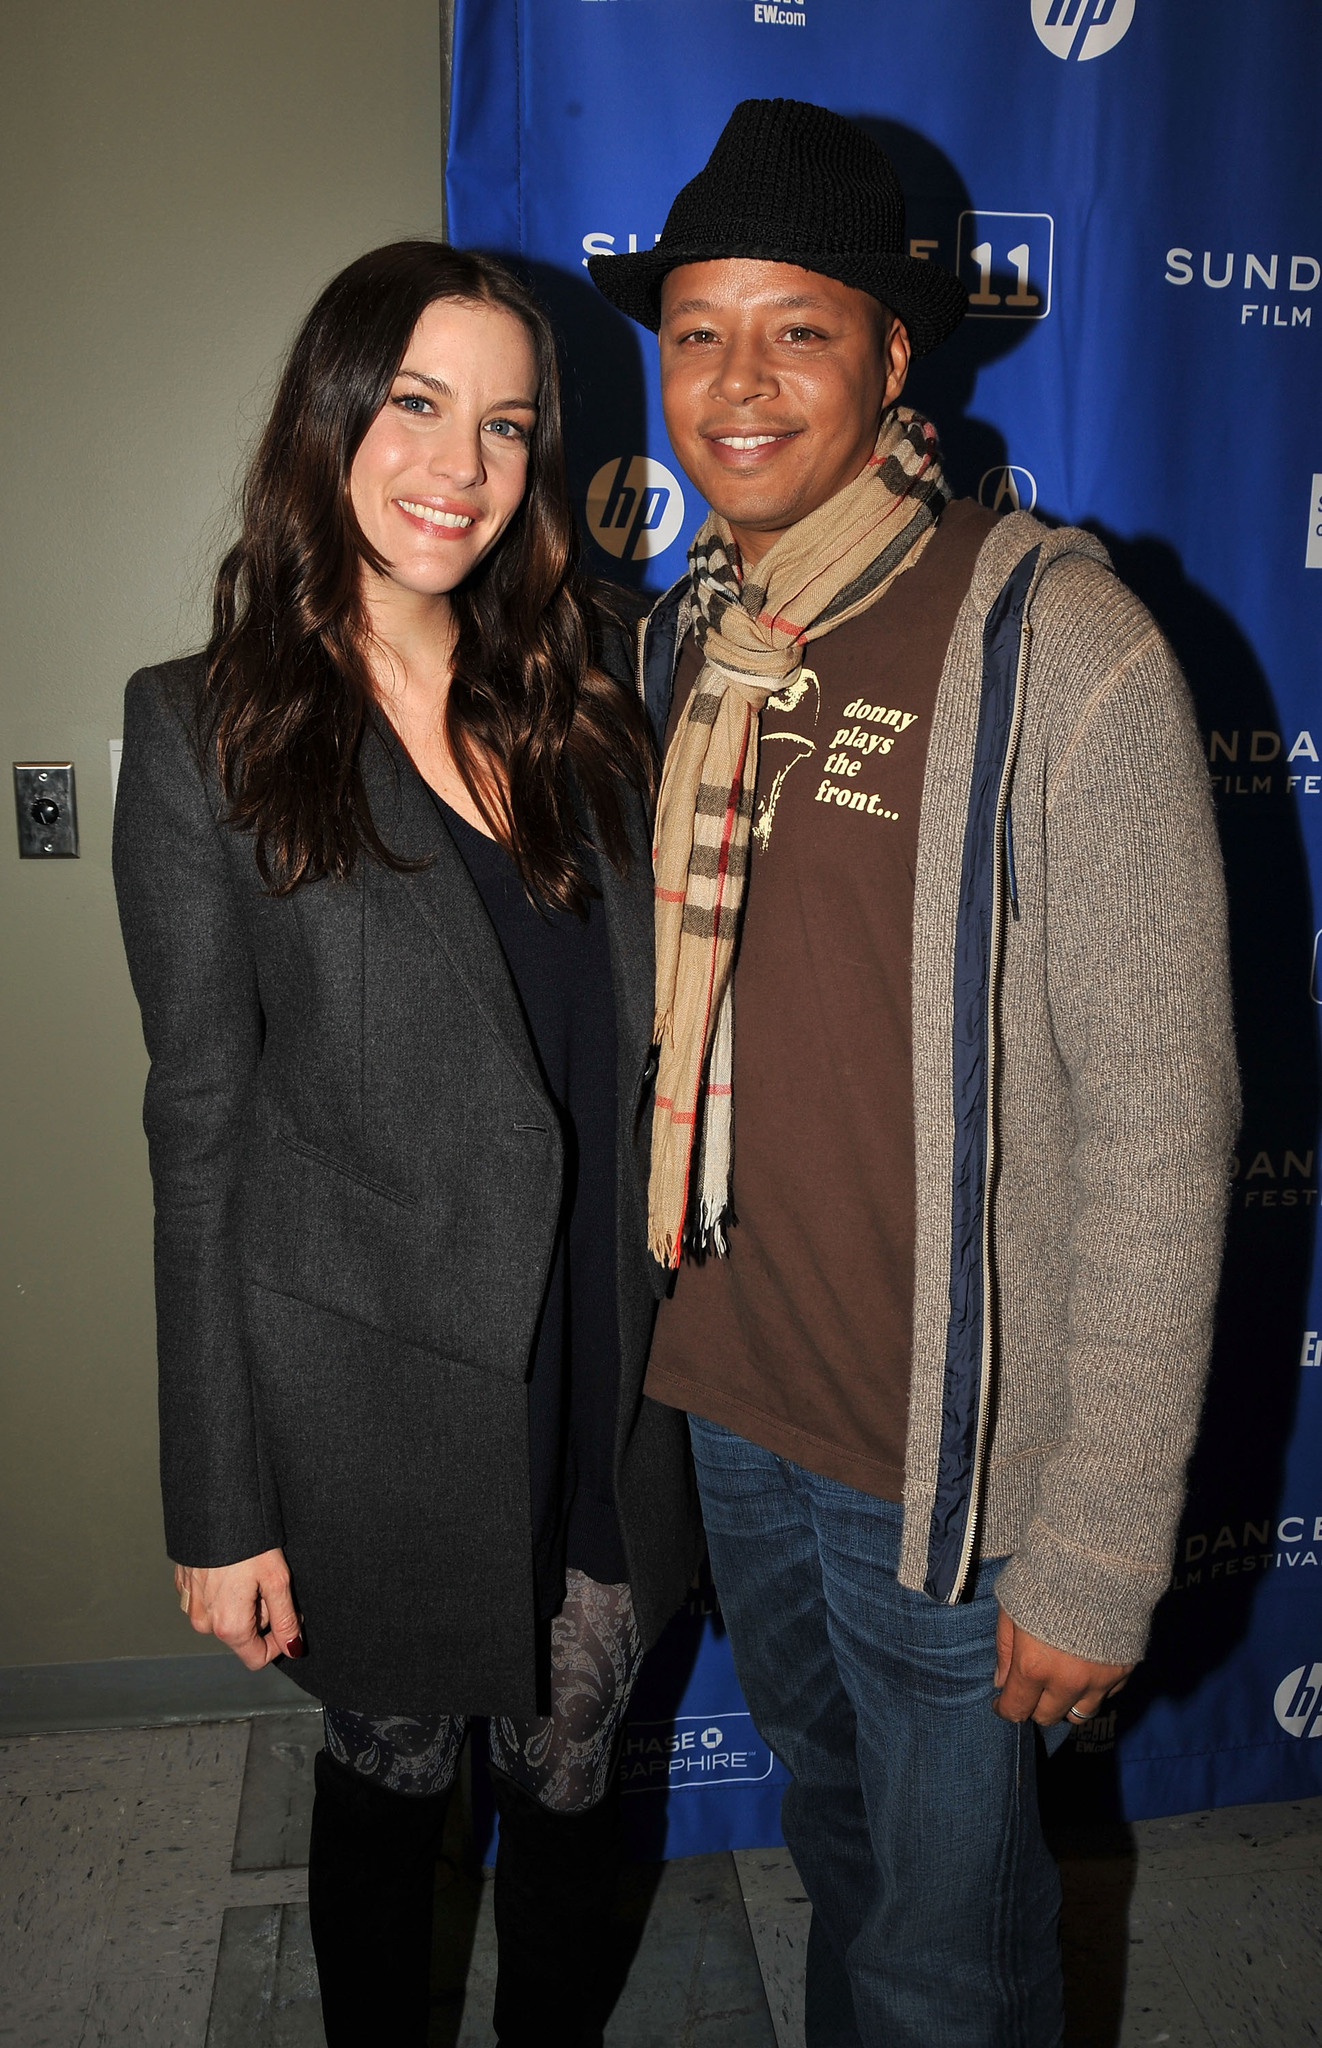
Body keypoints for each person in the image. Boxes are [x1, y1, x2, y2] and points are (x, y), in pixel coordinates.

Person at [588, 99, 1238, 2047]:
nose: (737, 381)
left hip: (945, 1457)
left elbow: (1156, 1123)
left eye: (798, 327)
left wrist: (1103, 1541)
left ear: (894, 353)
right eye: (698, 329)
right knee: (846, 1851)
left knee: (956, 1952)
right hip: (731, 1392)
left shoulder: (1060, 638)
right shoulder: (682, 641)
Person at [112, 241, 702, 2048]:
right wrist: (218, 1505)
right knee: (388, 1797)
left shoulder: (592, 702)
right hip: (370, 1398)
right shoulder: (206, 727)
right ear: (332, 417)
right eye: (416, 406)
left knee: (578, 1793)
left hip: (608, 1366)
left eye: (506, 426)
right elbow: (198, 1126)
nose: (457, 464)